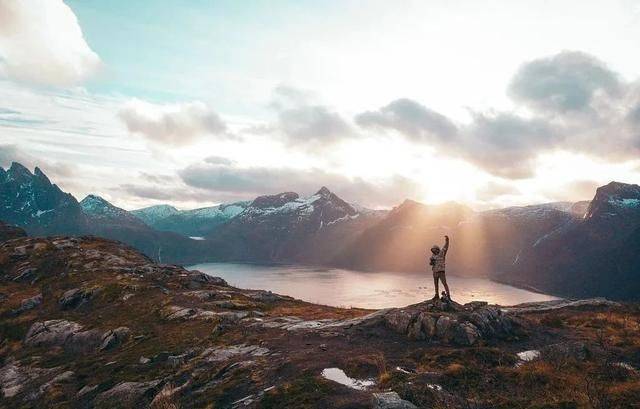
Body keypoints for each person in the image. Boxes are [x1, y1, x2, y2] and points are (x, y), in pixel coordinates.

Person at [429, 235, 450, 300]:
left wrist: (447, 241)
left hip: (441, 271)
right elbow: (431, 264)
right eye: (433, 250)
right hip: (435, 271)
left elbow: (445, 247)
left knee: (444, 284)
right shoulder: (432, 256)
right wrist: (431, 262)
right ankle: (436, 295)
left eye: (434, 249)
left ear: (437, 249)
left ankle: (448, 296)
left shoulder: (442, 253)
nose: (433, 251)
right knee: (436, 284)